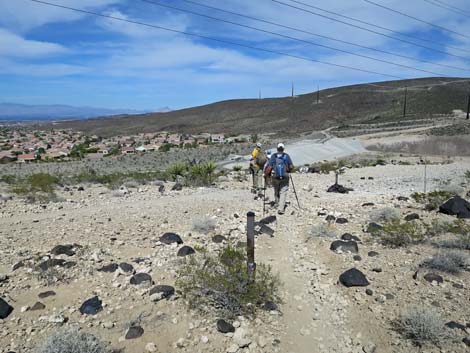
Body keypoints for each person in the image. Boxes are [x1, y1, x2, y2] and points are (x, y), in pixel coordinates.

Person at [264, 143, 294, 215]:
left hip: (275, 176)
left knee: (276, 189)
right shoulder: (286, 156)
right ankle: (281, 208)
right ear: (283, 149)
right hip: (285, 176)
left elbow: (269, 167)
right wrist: (289, 170)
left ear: (277, 149)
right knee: (283, 191)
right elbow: (291, 166)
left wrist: (265, 174)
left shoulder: (274, 156)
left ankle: (277, 203)